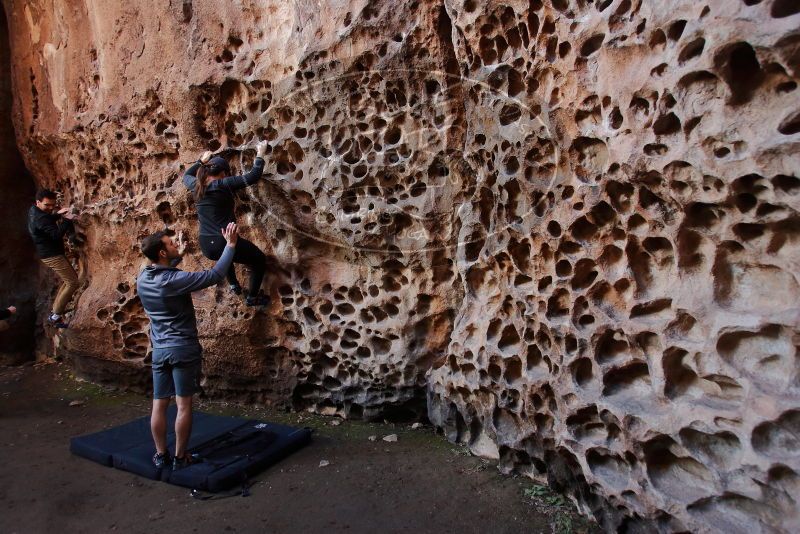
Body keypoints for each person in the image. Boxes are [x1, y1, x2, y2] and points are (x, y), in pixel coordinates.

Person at [137, 222, 239, 470]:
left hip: (159, 351)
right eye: (171, 244)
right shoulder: (174, 280)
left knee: (159, 404)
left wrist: (178, 255)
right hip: (182, 348)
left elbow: (164, 274)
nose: (176, 245)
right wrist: (231, 245)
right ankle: (180, 456)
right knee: (183, 405)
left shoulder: (142, 277)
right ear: (161, 253)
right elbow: (214, 276)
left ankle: (161, 455)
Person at [183, 141, 271, 306]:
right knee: (259, 259)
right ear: (223, 173)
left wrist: (200, 161)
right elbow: (253, 176)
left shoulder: (195, 186)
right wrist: (260, 153)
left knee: (225, 255)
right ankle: (252, 297)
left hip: (206, 244)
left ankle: (234, 285)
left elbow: (185, 175)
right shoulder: (222, 184)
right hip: (222, 240)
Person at [27, 189, 79, 328]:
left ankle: (55, 313)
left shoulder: (34, 210)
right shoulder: (41, 218)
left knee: (68, 280)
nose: (50, 208)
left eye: (52, 205)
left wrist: (56, 215)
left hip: (48, 254)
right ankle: (55, 316)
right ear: (38, 202)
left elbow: (46, 220)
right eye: (47, 205)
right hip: (52, 255)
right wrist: (67, 220)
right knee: (73, 283)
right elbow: (56, 235)